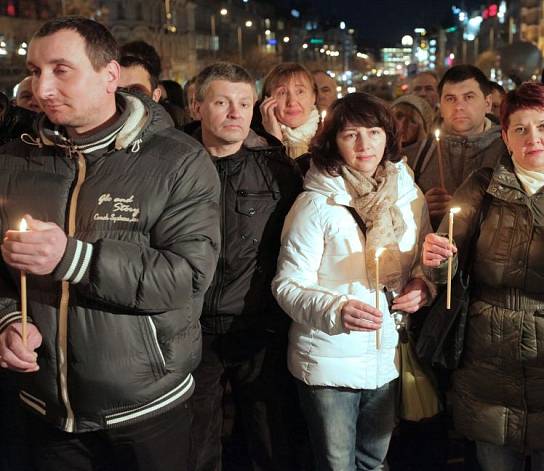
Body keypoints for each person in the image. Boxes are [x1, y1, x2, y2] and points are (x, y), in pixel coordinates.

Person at [0, 16, 220, 471]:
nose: (41, 89)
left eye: (61, 70)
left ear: (110, 75)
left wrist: (74, 259)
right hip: (48, 409)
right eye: (34, 70)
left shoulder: (178, 160)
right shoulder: (14, 161)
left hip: (145, 409)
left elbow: (188, 276)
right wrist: (7, 319)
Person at [422, 82, 544, 471]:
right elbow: (448, 270)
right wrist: (437, 260)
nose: (534, 139)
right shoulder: (481, 189)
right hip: (487, 365)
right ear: (506, 138)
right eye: (521, 129)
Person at [272, 92, 433, 471]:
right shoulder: (316, 204)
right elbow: (287, 284)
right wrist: (336, 308)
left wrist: (424, 286)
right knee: (336, 464)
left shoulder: (407, 193)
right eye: (351, 135)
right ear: (333, 143)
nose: (365, 145)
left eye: (374, 132)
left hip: (387, 354)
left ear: (388, 137)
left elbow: (421, 258)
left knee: (375, 461)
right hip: (329, 359)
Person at [187, 62, 308, 471]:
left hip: (257, 327)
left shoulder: (276, 169)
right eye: (222, 102)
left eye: (244, 102)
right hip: (191, 328)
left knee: (269, 439)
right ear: (197, 106)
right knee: (196, 443)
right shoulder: (173, 163)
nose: (236, 113)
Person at [414, 65, 506, 225]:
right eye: (450, 99)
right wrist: (418, 208)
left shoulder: (509, 150)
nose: (459, 107)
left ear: (488, 103)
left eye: (469, 97)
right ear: (440, 106)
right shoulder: (417, 155)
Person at [258, 63, 319, 158]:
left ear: (314, 97)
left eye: (300, 91)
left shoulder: (331, 139)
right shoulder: (251, 144)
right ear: (267, 100)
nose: (292, 102)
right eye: (282, 93)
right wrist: (274, 142)